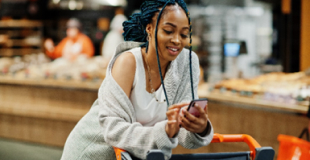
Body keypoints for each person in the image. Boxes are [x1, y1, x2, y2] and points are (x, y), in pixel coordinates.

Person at [61, 0, 213, 160]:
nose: (177, 40)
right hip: (92, 152)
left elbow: (181, 131)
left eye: (184, 34)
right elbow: (113, 129)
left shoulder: (188, 63)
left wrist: (199, 128)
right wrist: (164, 131)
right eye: (168, 31)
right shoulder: (128, 62)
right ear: (149, 28)